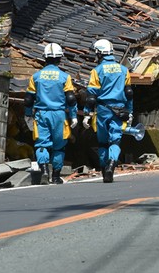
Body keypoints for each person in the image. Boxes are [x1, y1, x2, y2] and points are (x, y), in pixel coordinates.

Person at [24, 43, 78, 185]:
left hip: (41, 114)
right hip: (59, 115)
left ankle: (44, 172)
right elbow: (71, 99)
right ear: (60, 58)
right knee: (59, 146)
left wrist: (28, 114)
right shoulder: (65, 77)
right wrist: (73, 116)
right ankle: (55, 176)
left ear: (44, 58)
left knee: (42, 144)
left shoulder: (35, 77)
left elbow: (28, 99)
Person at [83, 38, 133, 183]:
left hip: (103, 110)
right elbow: (129, 93)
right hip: (120, 110)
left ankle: (105, 169)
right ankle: (112, 163)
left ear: (99, 53)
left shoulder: (96, 71)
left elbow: (91, 96)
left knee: (103, 142)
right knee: (115, 140)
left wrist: (87, 114)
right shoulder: (124, 70)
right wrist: (130, 111)